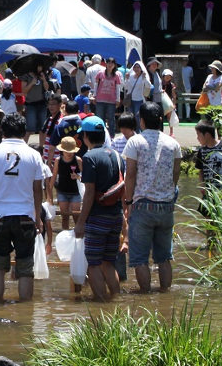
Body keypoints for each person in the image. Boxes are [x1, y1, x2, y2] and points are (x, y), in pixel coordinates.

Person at [0, 112, 44, 301]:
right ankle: (25, 314)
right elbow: (37, 189)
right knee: (25, 268)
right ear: (23, 131)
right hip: (25, 216)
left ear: (3, 131)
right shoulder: (33, 155)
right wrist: (37, 216)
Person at [123, 102, 181, 293]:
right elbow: (175, 173)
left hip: (142, 204)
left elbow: (130, 174)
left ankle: (145, 297)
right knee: (164, 257)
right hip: (166, 205)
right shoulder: (173, 143)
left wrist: (128, 201)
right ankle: (166, 296)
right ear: (160, 120)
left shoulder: (135, 142)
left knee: (139, 259)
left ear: (141, 120)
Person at [74, 116, 125, 301]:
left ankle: (102, 304)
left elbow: (89, 194)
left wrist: (80, 223)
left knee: (93, 264)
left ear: (86, 136)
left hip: (97, 218)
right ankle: (116, 301)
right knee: (108, 263)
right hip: (116, 216)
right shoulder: (117, 156)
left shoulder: (89, 157)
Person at [53, 136, 81, 230]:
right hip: (62, 191)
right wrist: (49, 194)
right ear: (62, 150)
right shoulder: (58, 160)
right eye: (66, 151)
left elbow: (85, 177)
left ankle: (78, 237)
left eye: (71, 151)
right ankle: (65, 235)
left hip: (76, 192)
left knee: (76, 216)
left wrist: (77, 176)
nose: (69, 153)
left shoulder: (78, 160)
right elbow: (53, 177)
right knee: (64, 217)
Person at [124, 62, 152, 127]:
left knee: (137, 116)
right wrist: (126, 79)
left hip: (139, 99)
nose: (136, 69)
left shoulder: (143, 76)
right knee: (130, 116)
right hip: (130, 100)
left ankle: (138, 130)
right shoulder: (130, 76)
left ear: (141, 68)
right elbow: (126, 87)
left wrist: (145, 78)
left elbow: (148, 86)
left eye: (138, 67)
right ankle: (132, 130)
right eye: (135, 67)